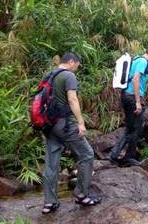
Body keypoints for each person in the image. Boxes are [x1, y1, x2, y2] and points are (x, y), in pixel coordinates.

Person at [42, 52, 100, 214]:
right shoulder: (68, 76)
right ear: (72, 62)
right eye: (77, 65)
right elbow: (72, 99)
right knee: (87, 154)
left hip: (48, 125)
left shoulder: (49, 75)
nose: (76, 69)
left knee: (52, 162)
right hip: (63, 123)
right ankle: (82, 194)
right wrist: (81, 122)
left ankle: (49, 203)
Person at [109, 46, 148, 167]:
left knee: (130, 128)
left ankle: (116, 155)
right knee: (135, 129)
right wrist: (138, 101)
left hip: (127, 96)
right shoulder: (143, 61)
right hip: (133, 97)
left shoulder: (136, 60)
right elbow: (136, 79)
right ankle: (127, 157)